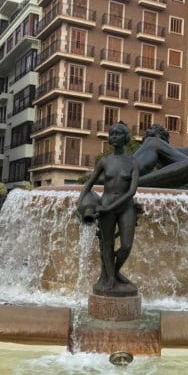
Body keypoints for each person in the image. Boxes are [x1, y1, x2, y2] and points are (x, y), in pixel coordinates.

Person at [77, 122, 139, 295]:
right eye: (112, 134)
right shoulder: (104, 161)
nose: (114, 136)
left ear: (126, 137)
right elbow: (88, 184)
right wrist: (79, 204)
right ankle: (110, 277)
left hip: (125, 207)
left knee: (126, 246)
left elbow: (132, 192)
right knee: (107, 244)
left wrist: (109, 207)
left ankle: (116, 270)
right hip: (105, 206)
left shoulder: (133, 162)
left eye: (119, 133)